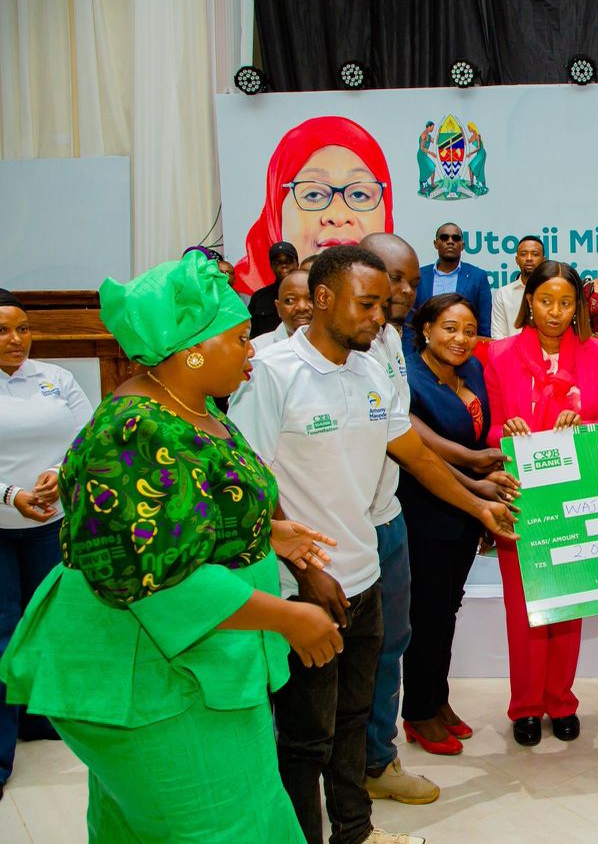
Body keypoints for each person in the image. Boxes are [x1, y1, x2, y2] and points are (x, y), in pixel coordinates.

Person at [0, 252, 345, 840]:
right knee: (217, 826)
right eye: (240, 338)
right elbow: (157, 574)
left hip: (200, 667)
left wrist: (266, 532)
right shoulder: (135, 430)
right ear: (193, 349)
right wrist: (289, 616)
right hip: (152, 677)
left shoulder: (193, 407)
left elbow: (192, 508)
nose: (252, 351)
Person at [230, 246, 515, 844]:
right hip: (305, 588)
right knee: (306, 737)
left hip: (364, 576)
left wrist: (479, 507)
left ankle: (355, 831)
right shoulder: (272, 371)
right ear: (323, 299)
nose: (380, 317)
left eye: (384, 305)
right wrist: (304, 568)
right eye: (367, 305)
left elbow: (413, 454)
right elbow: (249, 475)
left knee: (354, 719)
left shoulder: (369, 370)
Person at [484, 261, 598, 747]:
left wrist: (584, 428)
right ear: (529, 302)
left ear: (578, 306)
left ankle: (561, 700)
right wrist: (507, 431)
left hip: (575, 501)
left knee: (567, 605)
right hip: (520, 501)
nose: (555, 312)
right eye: (545, 301)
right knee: (523, 611)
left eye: (565, 303)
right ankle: (524, 706)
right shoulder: (500, 354)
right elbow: (490, 430)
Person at [400, 294, 515, 756]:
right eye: (450, 328)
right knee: (426, 615)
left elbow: (483, 433)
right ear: (425, 329)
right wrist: (475, 471)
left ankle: (437, 699)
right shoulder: (407, 378)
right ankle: (417, 712)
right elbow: (419, 449)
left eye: (469, 330)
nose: (461, 339)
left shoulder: (474, 371)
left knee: (446, 610)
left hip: (467, 511)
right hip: (426, 510)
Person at [351, 233, 442, 805]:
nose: (405, 290)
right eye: (393, 278)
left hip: (388, 517)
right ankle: (339, 768)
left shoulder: (390, 339)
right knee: (340, 660)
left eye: (412, 280)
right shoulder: (294, 361)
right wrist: (474, 492)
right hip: (338, 531)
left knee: (391, 644)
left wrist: (473, 479)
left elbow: (403, 432)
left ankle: (376, 760)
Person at [0, 289, 93, 802]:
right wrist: (10, 495)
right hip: (1, 525)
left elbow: (86, 439)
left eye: (22, 329)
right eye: (2, 331)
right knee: (3, 632)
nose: (15, 340)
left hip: (49, 524)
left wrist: (60, 473)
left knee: (47, 625)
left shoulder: (57, 379)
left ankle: (37, 719)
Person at [233, 116, 394, 296]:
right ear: (276, 208)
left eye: (359, 194)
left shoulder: (400, 296)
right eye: (313, 195)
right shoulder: (235, 302)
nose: (338, 216)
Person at [407, 222, 493, 342]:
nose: (450, 241)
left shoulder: (478, 277)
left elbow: (484, 327)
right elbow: (409, 322)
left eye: (456, 238)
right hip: (424, 348)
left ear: (462, 245)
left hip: (462, 346)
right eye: (444, 237)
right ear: (436, 244)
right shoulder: (420, 275)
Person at [491, 235, 545, 339]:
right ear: (517, 260)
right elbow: (498, 337)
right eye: (523, 254)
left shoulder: (552, 292)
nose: (529, 258)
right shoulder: (503, 294)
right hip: (511, 349)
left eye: (535, 254)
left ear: (543, 260)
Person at [251, 268, 313, 352]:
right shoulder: (257, 350)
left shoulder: (332, 348)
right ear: (278, 308)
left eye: (311, 299)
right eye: (290, 300)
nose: (301, 307)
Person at [249, 241, 301, 338]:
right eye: (278, 262)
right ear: (272, 266)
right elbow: (251, 333)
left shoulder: (310, 292)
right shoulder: (259, 298)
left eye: (288, 261)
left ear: (297, 263)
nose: (284, 265)